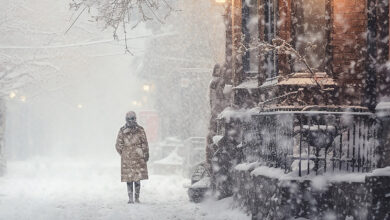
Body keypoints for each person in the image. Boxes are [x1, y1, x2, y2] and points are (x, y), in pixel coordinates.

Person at [115, 111, 149, 204]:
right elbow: (118, 144)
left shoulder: (139, 130)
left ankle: (135, 198)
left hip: (136, 157)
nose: (131, 121)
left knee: (135, 179)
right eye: (129, 119)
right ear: (126, 119)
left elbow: (144, 143)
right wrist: (124, 152)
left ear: (135, 119)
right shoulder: (124, 130)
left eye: (132, 118)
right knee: (130, 179)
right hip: (133, 157)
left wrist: (144, 153)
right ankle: (132, 198)